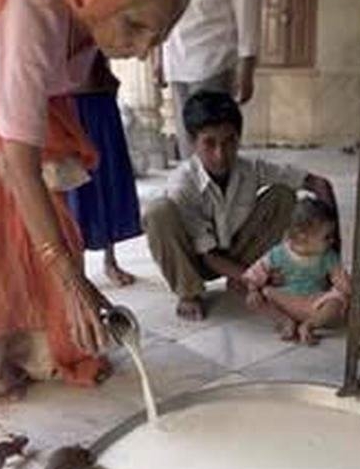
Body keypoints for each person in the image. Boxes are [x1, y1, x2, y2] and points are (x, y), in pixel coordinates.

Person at [0, 0, 190, 402]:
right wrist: (73, 282)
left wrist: (76, 279)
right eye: (134, 26)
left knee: (30, 224)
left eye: (158, 38)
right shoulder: (32, 5)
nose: (144, 50)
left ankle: (32, 350)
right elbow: (19, 164)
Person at [143, 90, 339, 321]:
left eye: (229, 142)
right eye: (209, 143)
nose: (220, 154)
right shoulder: (183, 184)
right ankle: (188, 293)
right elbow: (209, 257)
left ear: (239, 138)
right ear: (192, 142)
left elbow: (319, 183)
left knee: (283, 195)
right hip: (196, 260)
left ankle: (239, 278)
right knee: (158, 212)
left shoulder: (249, 169)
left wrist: (332, 252)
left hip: (237, 252)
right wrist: (261, 279)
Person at [158, 0, 259, 159]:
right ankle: (192, 188)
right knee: (187, 147)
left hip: (213, 57)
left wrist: (247, 62)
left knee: (214, 150)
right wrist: (158, 53)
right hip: (176, 53)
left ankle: (220, 188)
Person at [67, 53, 142, 287]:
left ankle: (110, 261)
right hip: (69, 101)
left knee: (108, 179)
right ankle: (77, 268)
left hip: (100, 97)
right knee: (73, 183)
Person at [243, 198, 351, 345]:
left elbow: (339, 278)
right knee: (259, 297)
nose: (332, 240)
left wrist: (346, 287)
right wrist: (253, 290)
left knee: (337, 301)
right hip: (285, 300)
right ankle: (285, 321)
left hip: (315, 302)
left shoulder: (328, 256)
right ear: (302, 236)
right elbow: (256, 272)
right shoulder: (279, 253)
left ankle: (310, 324)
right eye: (327, 237)